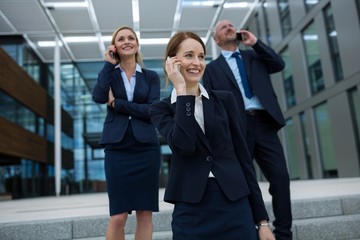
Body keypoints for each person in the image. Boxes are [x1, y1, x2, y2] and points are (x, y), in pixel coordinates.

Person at [149, 31, 275, 240]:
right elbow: (184, 145)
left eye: (201, 56)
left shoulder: (225, 100)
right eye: (189, 55)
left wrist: (262, 221)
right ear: (172, 62)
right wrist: (182, 91)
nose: (197, 62)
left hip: (235, 205)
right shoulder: (160, 109)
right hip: (191, 210)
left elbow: (244, 160)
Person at [203, 19, 293, 240]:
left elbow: (279, 64)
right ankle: (257, 227)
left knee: (280, 177)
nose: (228, 27)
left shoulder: (254, 56)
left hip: (263, 123)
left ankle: (283, 233)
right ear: (216, 39)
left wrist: (255, 43)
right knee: (246, 179)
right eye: (222, 27)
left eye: (231, 25)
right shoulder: (212, 69)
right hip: (236, 127)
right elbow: (210, 102)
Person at [92, 26, 161, 240]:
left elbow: (152, 110)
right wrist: (107, 64)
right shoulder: (109, 74)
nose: (127, 41)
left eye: (131, 38)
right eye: (121, 39)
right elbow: (97, 96)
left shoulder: (151, 77)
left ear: (137, 44)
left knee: (144, 212)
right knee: (119, 215)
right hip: (117, 148)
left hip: (146, 149)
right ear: (115, 47)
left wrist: (118, 104)